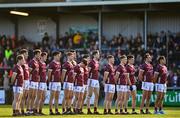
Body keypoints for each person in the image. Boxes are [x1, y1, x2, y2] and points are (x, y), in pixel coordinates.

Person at [27, 49, 41, 115]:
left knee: (34, 96)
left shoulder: (37, 62)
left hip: (36, 81)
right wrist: (29, 80)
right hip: (32, 81)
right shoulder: (31, 62)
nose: (40, 56)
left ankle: (32, 110)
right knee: (30, 96)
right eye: (39, 54)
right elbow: (28, 72)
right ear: (36, 54)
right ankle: (28, 110)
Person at [86, 50, 100, 114]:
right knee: (90, 95)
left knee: (97, 95)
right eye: (98, 54)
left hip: (96, 80)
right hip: (91, 79)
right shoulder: (91, 62)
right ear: (94, 55)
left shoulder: (97, 62)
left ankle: (95, 110)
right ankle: (88, 109)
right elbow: (88, 71)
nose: (99, 55)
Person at [19, 49, 30, 115]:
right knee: (21, 97)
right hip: (23, 81)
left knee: (25, 97)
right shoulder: (21, 63)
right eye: (26, 54)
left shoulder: (26, 62)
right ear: (22, 54)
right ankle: (21, 110)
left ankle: (23, 110)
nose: (27, 55)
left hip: (27, 80)